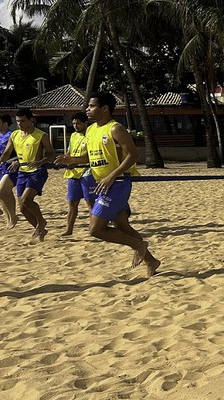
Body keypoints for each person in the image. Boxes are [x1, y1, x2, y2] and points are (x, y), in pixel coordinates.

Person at [55, 91, 160, 276]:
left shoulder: (115, 128)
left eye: (91, 106)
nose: (87, 109)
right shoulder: (91, 129)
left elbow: (133, 155)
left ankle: (139, 245)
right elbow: (91, 156)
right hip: (102, 184)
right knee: (123, 227)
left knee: (95, 230)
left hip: (117, 183)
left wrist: (112, 175)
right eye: (88, 106)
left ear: (104, 108)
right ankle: (152, 261)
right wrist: (72, 159)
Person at [0, 108, 53, 241]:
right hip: (22, 172)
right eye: (17, 121)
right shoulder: (15, 135)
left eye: (22, 121)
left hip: (37, 171)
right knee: (22, 208)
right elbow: (6, 152)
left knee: (27, 199)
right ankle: (40, 229)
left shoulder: (41, 135)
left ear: (31, 120)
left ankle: (41, 222)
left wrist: (40, 161)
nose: (20, 124)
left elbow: (51, 154)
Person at [63, 112, 92, 236]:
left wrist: (75, 161)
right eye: (74, 123)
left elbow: (91, 156)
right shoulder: (74, 136)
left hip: (87, 171)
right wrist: (65, 160)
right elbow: (69, 152)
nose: (75, 125)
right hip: (73, 173)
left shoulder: (91, 135)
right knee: (72, 203)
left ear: (85, 123)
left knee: (90, 202)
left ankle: (93, 228)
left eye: (78, 123)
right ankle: (69, 230)